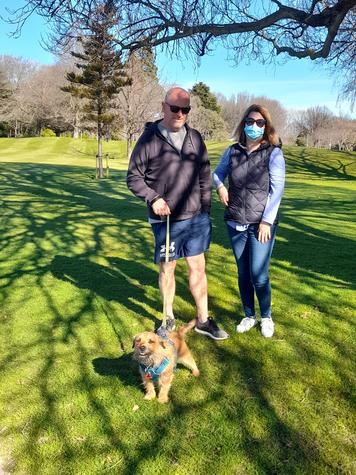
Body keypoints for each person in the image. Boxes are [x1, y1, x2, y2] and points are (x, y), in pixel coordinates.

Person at [127, 86, 229, 340]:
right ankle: (168, 317)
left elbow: (204, 176)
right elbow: (133, 177)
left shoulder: (195, 137)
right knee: (168, 268)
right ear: (163, 107)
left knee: (198, 267)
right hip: (166, 219)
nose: (180, 113)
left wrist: (205, 209)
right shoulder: (149, 139)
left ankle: (203, 321)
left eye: (185, 109)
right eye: (175, 108)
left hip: (195, 218)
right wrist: (154, 199)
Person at [213, 104, 285, 338]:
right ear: (244, 124)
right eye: (250, 122)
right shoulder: (232, 152)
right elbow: (216, 174)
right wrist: (221, 187)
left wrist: (266, 221)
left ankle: (266, 316)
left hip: (261, 225)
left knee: (258, 273)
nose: (254, 126)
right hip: (235, 222)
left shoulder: (273, 153)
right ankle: (248, 315)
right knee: (243, 273)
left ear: (266, 127)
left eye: (260, 123)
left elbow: (277, 190)